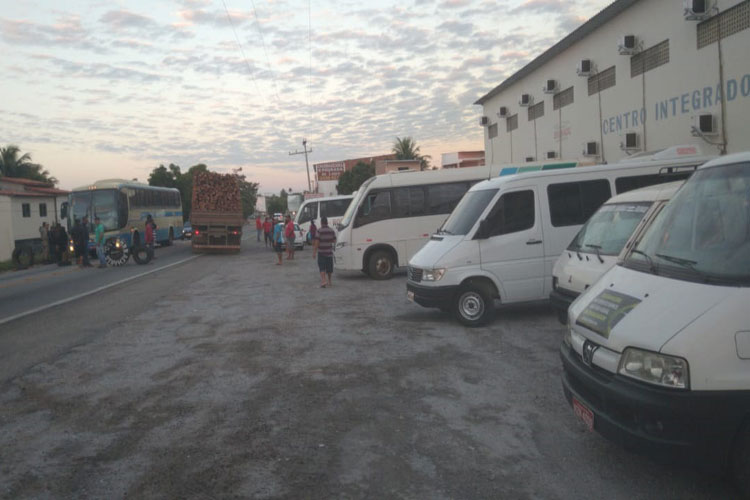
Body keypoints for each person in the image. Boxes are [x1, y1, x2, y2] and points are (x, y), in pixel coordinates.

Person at [313, 216, 336, 288]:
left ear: (321, 223)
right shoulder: (331, 231)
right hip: (329, 252)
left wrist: (314, 252)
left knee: (322, 267)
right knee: (329, 268)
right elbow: (334, 240)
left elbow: (317, 242)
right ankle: (329, 281)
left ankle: (323, 280)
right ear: (327, 222)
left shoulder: (319, 231)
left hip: (321, 252)